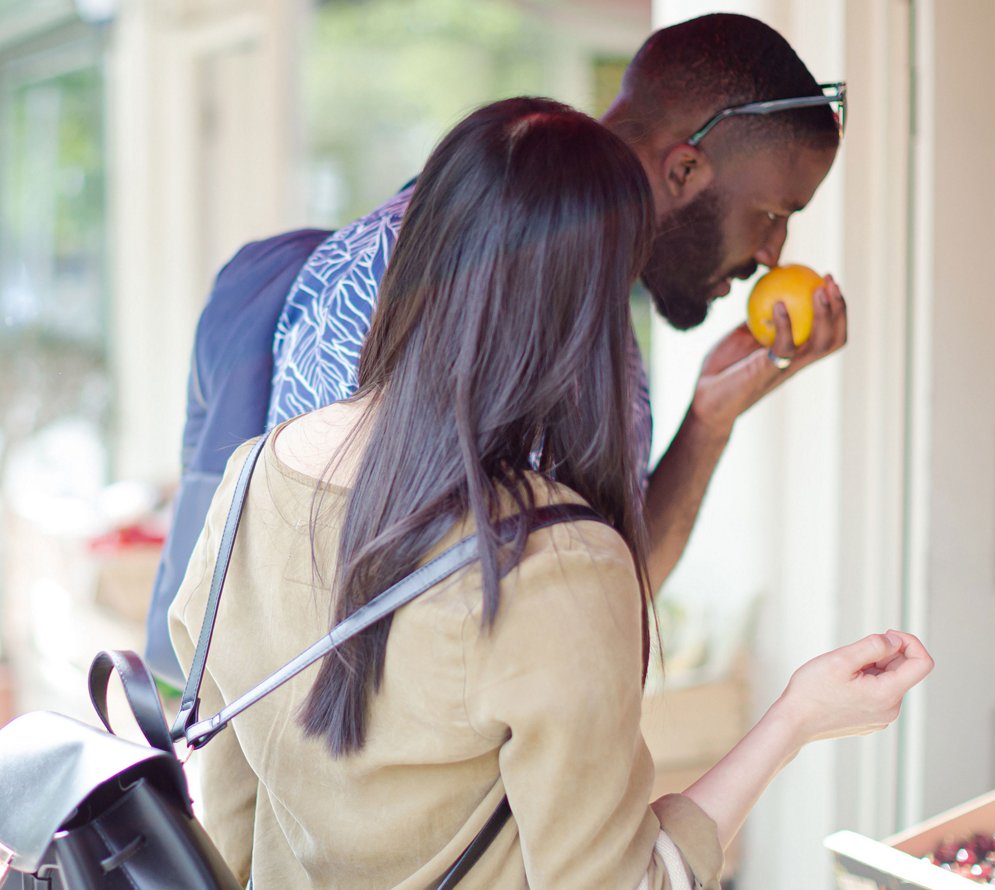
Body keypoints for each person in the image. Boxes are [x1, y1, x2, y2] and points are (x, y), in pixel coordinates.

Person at [168, 96, 931, 890]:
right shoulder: (554, 557)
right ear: (586, 301)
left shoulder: (253, 478)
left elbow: (225, 827)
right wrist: (796, 718)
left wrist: (710, 417)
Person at [147, 12, 849, 683]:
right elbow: (308, 613)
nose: (771, 251)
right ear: (685, 172)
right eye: (773, 215)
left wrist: (708, 423)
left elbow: (603, 599)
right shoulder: (384, 276)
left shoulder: (604, 327)